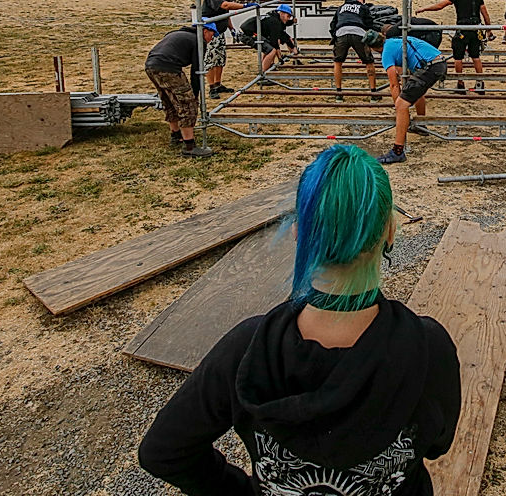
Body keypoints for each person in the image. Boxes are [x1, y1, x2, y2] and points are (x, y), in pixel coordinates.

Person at [138, 143, 461, 495]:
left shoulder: (249, 349)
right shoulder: (428, 348)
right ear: (389, 232)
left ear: (298, 232)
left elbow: (163, 451)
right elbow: (436, 446)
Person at [368, 27, 449, 164]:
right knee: (416, 91)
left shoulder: (386, 53)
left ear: (373, 48)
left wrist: (398, 107)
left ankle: (398, 151)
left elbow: (393, 84)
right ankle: (421, 126)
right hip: (439, 61)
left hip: (429, 67)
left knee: (402, 104)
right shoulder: (395, 40)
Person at [144, 23, 218, 158]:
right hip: (169, 68)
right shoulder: (198, 42)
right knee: (187, 104)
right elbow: (196, 71)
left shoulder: (177, 33)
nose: (212, 38)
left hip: (151, 65)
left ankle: (176, 134)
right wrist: (195, 96)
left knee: (169, 101)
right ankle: (189, 146)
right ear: (206, 31)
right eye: (212, 35)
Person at [415, 0, 491, 95]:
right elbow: (484, 12)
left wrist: (424, 8)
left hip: (462, 28)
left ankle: (460, 85)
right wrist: (489, 29)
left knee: (458, 57)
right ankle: (480, 84)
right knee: (476, 56)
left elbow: (441, 6)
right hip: (476, 29)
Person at [201, 0, 253, 99]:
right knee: (211, 60)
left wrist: (231, 29)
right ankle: (212, 86)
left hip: (220, 32)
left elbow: (226, 13)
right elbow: (225, 6)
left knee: (220, 59)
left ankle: (218, 83)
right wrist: (245, 6)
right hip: (211, 33)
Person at [329, 0, 378, 100]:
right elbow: (370, 24)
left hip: (341, 33)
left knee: (338, 62)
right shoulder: (363, 7)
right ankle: (373, 93)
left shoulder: (340, 8)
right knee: (369, 62)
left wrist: (334, 36)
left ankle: (338, 93)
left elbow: (333, 24)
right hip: (358, 33)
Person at [240, 4, 299, 80]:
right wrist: (280, 57)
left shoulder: (274, 17)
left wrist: (291, 22)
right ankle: (263, 75)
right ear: (281, 13)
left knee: (269, 49)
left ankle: (265, 67)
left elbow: (283, 29)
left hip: (250, 31)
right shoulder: (274, 22)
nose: (289, 18)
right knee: (271, 50)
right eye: (288, 16)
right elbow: (275, 42)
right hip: (248, 34)